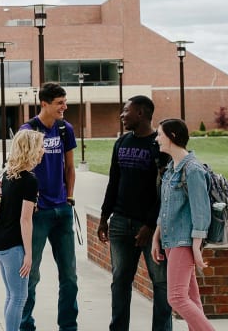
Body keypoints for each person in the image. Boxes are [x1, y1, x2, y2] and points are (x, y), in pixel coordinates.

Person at [99, 96, 173, 331]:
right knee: (120, 282)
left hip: (151, 229)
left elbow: (165, 191)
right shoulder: (121, 143)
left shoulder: (159, 145)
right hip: (120, 223)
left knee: (161, 283)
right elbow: (114, 182)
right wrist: (104, 217)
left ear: (140, 113)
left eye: (126, 111)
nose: (122, 115)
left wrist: (150, 225)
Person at [17, 82, 79, 331]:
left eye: (65, 102)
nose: (64, 107)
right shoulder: (28, 130)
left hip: (62, 210)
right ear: (44, 103)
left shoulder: (65, 129)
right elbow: (19, 168)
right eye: (59, 103)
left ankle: (68, 326)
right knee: (30, 275)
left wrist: (70, 198)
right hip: (38, 212)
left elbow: (70, 167)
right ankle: (25, 325)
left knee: (70, 277)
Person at [151, 118, 216, 331]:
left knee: (177, 298)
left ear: (172, 137)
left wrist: (196, 246)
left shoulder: (193, 169)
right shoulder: (171, 168)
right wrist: (156, 237)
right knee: (191, 298)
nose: (157, 138)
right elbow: (166, 207)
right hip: (171, 239)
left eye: (160, 134)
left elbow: (201, 210)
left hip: (183, 241)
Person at [0, 129, 44, 331]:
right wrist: (29, 254)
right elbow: (25, 220)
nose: (43, 151)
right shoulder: (30, 181)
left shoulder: (8, 174)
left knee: (12, 296)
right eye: (40, 147)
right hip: (13, 246)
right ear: (29, 149)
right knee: (19, 297)